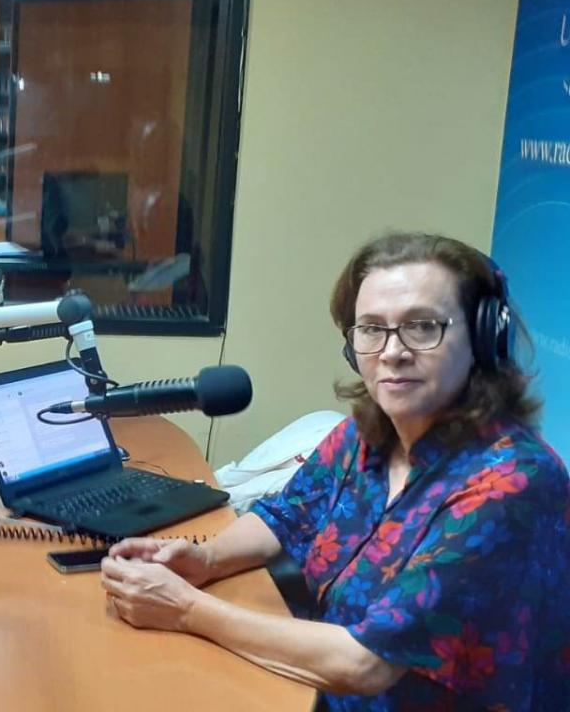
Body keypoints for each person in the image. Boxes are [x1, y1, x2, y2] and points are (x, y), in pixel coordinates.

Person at [101, 232, 569, 710]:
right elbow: (285, 516)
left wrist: (184, 608)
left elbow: (366, 664)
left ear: (483, 339)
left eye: (422, 326)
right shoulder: (363, 435)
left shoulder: (513, 482)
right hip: (314, 685)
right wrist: (206, 559)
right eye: (371, 329)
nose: (392, 351)